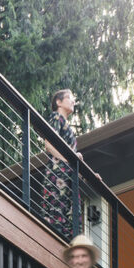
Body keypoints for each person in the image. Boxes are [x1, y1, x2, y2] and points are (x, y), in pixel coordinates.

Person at [42, 89, 83, 242]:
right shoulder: (56, 117)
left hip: (68, 176)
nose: (73, 101)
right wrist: (68, 159)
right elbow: (48, 144)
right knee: (57, 211)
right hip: (58, 173)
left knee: (68, 212)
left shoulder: (68, 127)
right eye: (69, 98)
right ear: (58, 102)